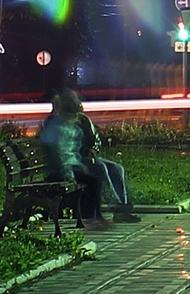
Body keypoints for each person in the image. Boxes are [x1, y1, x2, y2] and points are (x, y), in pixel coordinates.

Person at [37, 89, 140, 226]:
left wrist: (91, 151)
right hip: (71, 164)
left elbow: (93, 139)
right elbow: (59, 151)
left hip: (81, 158)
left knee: (116, 168)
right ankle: (117, 209)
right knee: (100, 168)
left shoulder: (80, 120)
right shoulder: (54, 122)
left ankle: (122, 206)